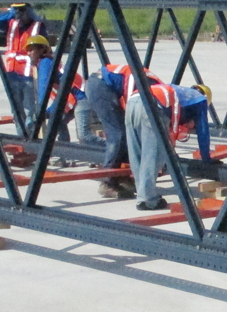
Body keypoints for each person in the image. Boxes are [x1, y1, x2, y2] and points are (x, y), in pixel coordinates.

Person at [124, 82, 213, 211]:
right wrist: (206, 158)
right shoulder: (200, 100)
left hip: (133, 100)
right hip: (154, 106)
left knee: (136, 152)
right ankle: (148, 200)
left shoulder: (180, 91)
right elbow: (203, 131)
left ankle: (142, 194)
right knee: (152, 155)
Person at [83, 63, 160, 198]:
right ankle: (107, 182)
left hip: (104, 85)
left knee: (126, 134)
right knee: (118, 134)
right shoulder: (149, 85)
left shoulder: (156, 88)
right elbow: (131, 101)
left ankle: (122, 176)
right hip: (100, 86)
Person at [0, 3, 46, 131]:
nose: (20, 15)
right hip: (11, 73)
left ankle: (31, 137)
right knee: (16, 111)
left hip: (28, 75)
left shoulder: (37, 26)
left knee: (29, 110)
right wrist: (11, 14)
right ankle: (21, 136)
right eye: (17, 11)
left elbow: (44, 48)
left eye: (22, 11)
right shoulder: (11, 24)